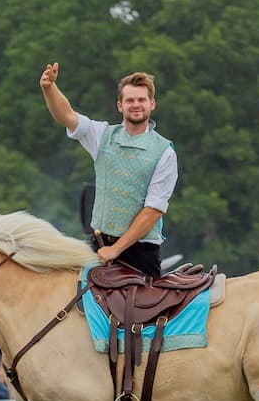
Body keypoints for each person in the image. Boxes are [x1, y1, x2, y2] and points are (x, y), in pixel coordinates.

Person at [40, 63, 178, 277]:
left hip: (141, 253)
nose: (136, 105)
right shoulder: (102, 135)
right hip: (99, 246)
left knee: (143, 301)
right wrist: (49, 88)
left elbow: (153, 210)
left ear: (151, 104)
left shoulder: (165, 152)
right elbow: (67, 116)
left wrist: (116, 249)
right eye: (130, 100)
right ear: (120, 106)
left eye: (141, 100)